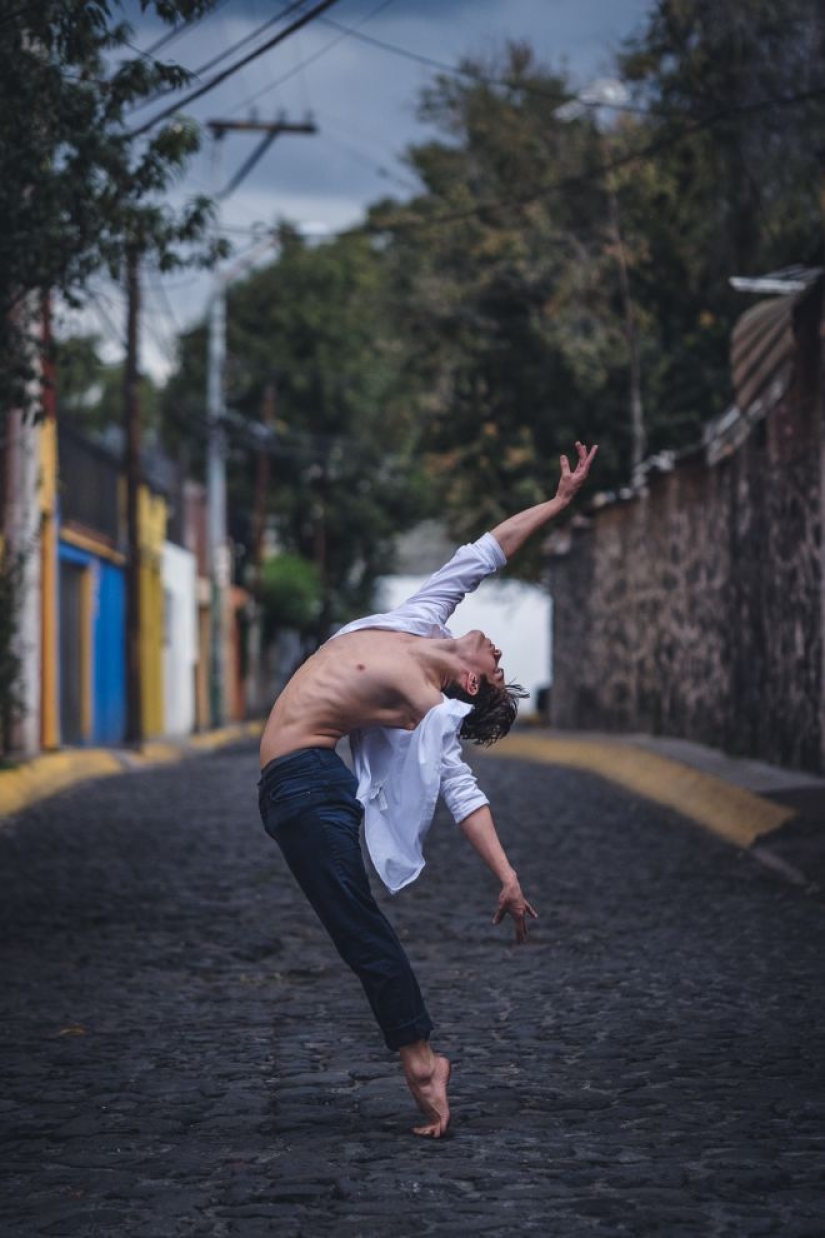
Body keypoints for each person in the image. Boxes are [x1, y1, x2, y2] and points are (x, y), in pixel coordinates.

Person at [258, 441, 598, 1138]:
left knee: (357, 927)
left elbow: (456, 783)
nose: (498, 652)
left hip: (306, 788)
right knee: (356, 925)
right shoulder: (420, 619)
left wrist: (504, 872)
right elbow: (486, 552)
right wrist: (557, 503)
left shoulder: (425, 710)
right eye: (500, 662)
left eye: (496, 669)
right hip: (294, 786)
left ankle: (421, 1063)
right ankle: (420, 1057)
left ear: (469, 681)